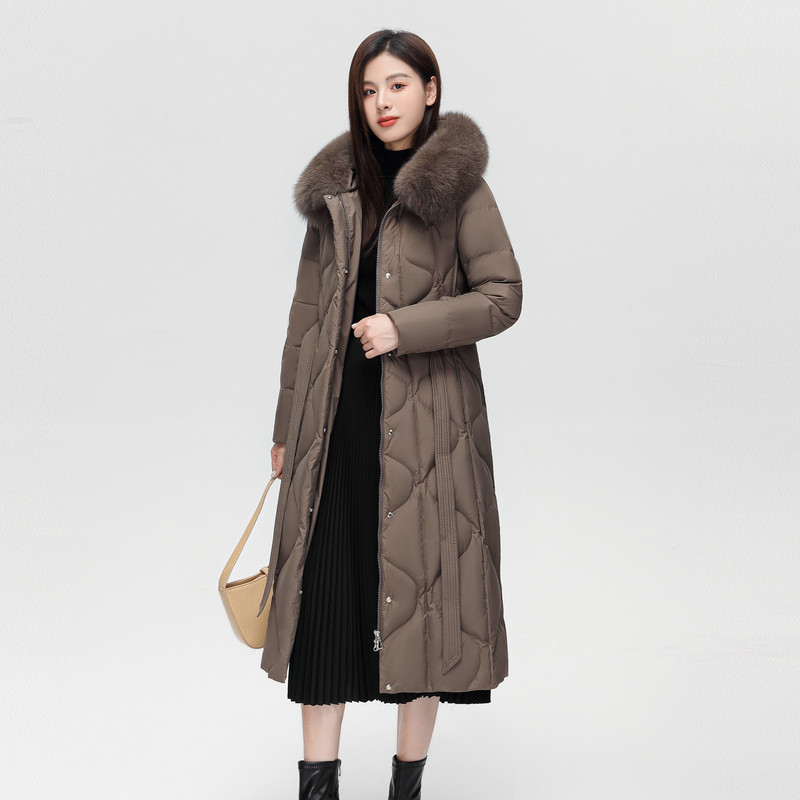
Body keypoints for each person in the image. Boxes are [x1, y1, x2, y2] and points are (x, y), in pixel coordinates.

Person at [256, 28, 523, 800]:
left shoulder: (460, 189)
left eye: (398, 86)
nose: (382, 102)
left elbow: (502, 296)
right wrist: (284, 429)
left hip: (429, 428)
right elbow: (306, 319)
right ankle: (317, 788)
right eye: (370, 89)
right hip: (333, 424)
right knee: (323, 607)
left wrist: (405, 328)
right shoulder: (337, 192)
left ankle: (406, 789)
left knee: (425, 609)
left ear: (430, 90)